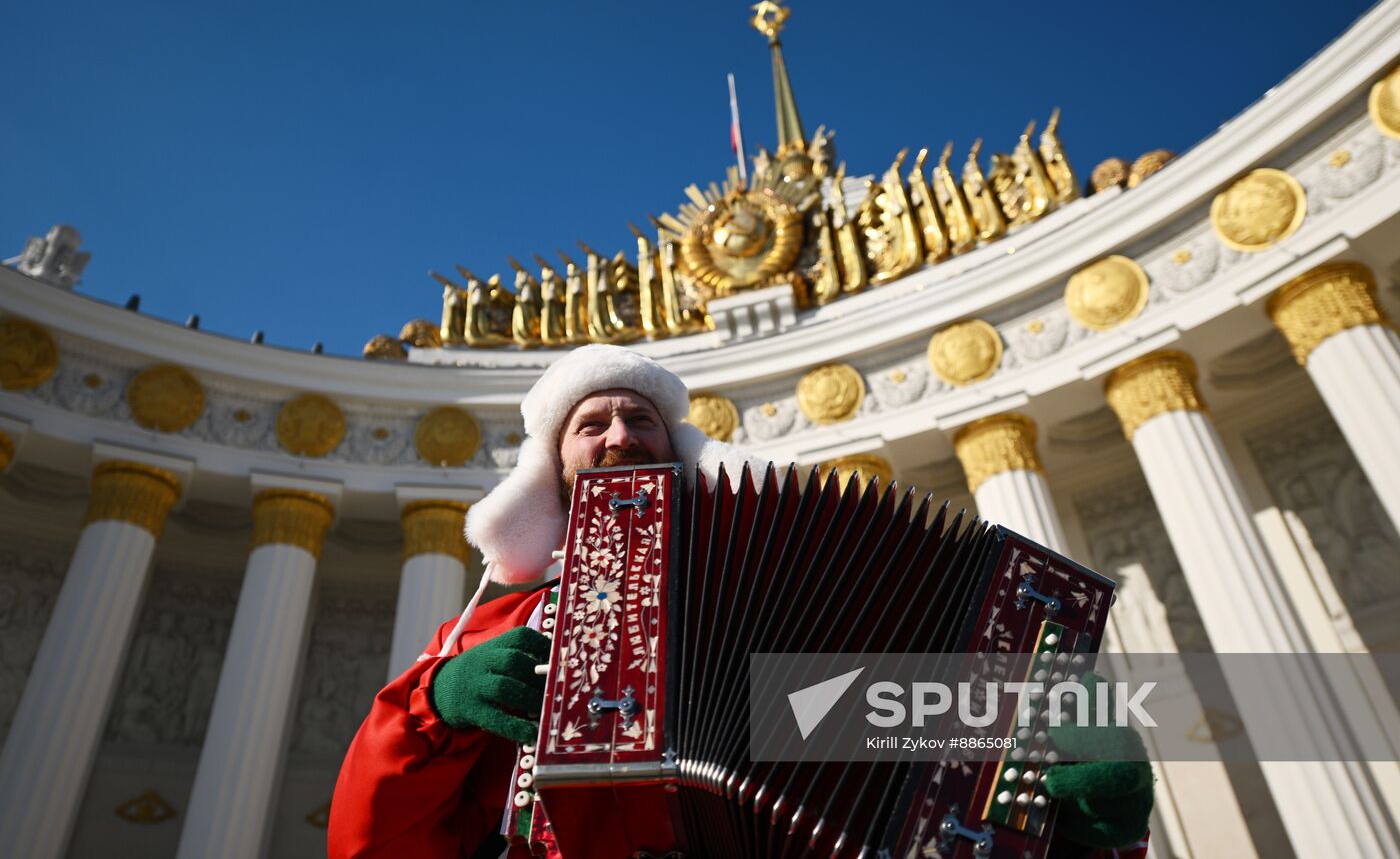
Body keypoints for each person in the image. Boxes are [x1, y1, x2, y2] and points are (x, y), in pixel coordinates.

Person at [328, 345, 1152, 858]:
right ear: (554, 466)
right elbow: (376, 836)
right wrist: (435, 702)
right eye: (594, 424)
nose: (620, 436)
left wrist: (1069, 815)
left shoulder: (812, 586)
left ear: (675, 445)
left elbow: (931, 769)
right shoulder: (498, 624)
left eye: (639, 419)